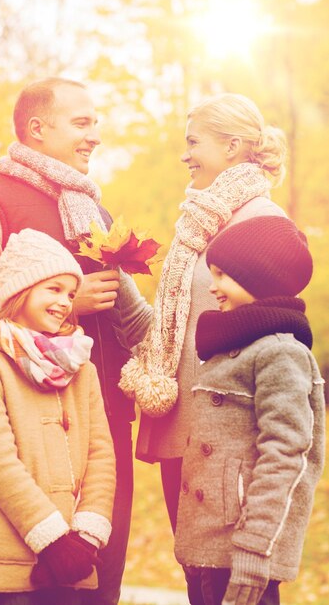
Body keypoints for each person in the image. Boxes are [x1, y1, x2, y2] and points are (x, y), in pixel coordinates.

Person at [0, 77, 152, 605]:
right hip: (23, 433)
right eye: (82, 123)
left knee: (99, 589)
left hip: (103, 432)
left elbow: (137, 323)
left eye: (95, 123)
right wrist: (60, 306)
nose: (95, 136)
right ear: (37, 128)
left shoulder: (94, 214)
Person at [120, 92, 288, 533]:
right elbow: (180, 320)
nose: (184, 155)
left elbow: (273, 338)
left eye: (193, 143)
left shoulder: (261, 221)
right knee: (198, 577)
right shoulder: (200, 223)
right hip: (185, 423)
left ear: (230, 147)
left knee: (233, 582)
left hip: (226, 435)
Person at [0, 229, 116, 605]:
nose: (65, 302)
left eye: (71, 293)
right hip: (10, 562)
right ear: (20, 291)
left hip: (73, 559)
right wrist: (51, 539)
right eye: (54, 289)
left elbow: (101, 455)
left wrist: (84, 537)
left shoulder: (81, 368)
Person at [174, 215, 326, 605]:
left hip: (242, 554)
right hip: (209, 550)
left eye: (223, 274)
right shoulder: (230, 347)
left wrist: (255, 549)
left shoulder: (280, 353)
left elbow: (286, 456)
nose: (213, 286)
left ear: (260, 278)